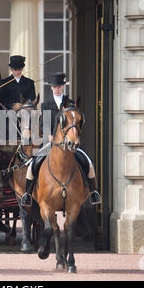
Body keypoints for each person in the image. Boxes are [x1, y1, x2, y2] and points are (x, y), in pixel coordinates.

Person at [20, 72, 102, 207]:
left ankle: (93, 192)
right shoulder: (46, 104)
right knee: (33, 164)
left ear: (63, 87)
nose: (57, 88)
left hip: (70, 143)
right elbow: (43, 124)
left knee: (88, 162)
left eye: (59, 86)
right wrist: (49, 136)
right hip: (51, 144)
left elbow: (76, 122)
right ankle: (27, 194)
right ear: (51, 88)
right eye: (54, 87)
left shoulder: (71, 103)